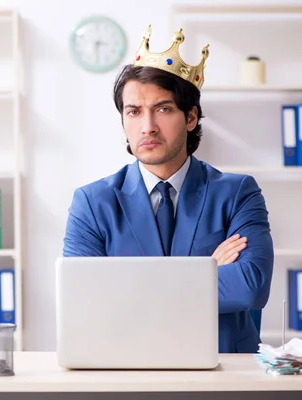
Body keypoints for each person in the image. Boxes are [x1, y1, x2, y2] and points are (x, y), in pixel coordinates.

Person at [61, 25, 274, 354]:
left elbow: (250, 288)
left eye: (162, 109)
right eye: (133, 112)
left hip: (224, 369)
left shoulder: (237, 193)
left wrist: (132, 292)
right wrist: (205, 273)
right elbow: (83, 298)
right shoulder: (92, 202)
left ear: (190, 118)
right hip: (127, 365)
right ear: (123, 122)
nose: (147, 126)